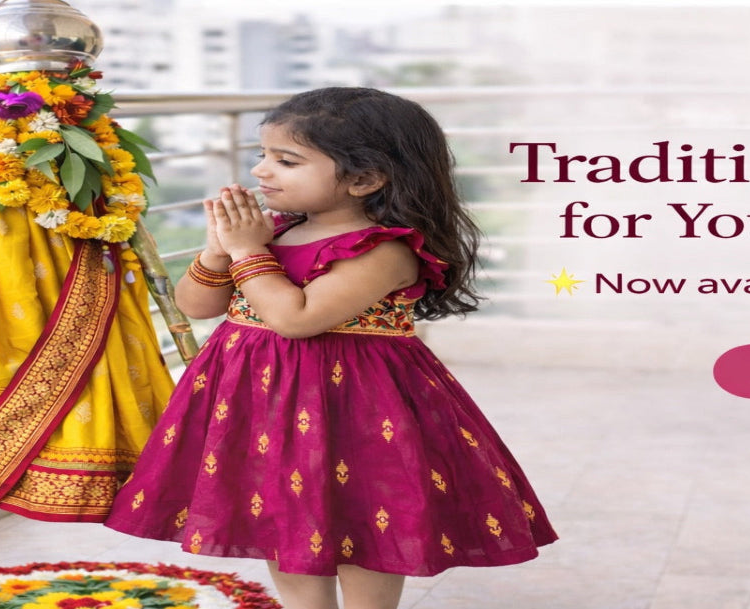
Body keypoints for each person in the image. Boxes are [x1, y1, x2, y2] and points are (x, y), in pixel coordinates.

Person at [104, 87, 557, 609]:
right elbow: (197, 305)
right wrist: (218, 249)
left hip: (357, 411)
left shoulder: (385, 249)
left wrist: (248, 251)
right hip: (265, 405)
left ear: (364, 179)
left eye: (287, 160)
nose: (261, 172)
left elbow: (295, 319)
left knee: (363, 519)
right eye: (262, 156)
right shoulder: (273, 233)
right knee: (280, 517)